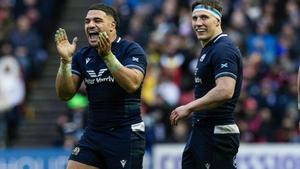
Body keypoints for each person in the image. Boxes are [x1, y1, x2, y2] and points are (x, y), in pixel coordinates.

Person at [54, 3, 147, 169]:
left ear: (112, 26)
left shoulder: (131, 49)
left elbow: (133, 83)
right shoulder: (83, 55)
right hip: (94, 132)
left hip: (125, 133)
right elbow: (64, 94)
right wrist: (65, 61)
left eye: (97, 20)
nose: (90, 25)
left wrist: (108, 56)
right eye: (87, 21)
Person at [170, 0, 243, 169]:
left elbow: (225, 90)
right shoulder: (210, 48)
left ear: (218, 21)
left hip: (217, 132)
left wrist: (189, 107)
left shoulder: (223, 48)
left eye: (204, 17)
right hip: (202, 130)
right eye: (194, 18)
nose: (198, 23)